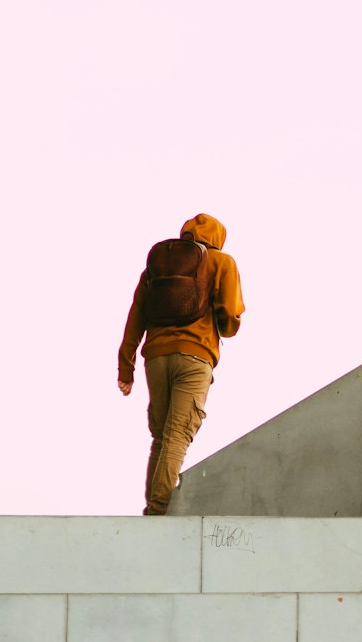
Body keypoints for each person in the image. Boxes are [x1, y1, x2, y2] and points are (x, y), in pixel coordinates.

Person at [118, 213, 244, 515]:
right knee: (178, 433)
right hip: (195, 356)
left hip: (156, 357)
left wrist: (126, 369)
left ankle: (153, 505)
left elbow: (135, 317)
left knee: (161, 436)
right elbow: (230, 320)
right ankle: (159, 512)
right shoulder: (222, 262)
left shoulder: (157, 266)